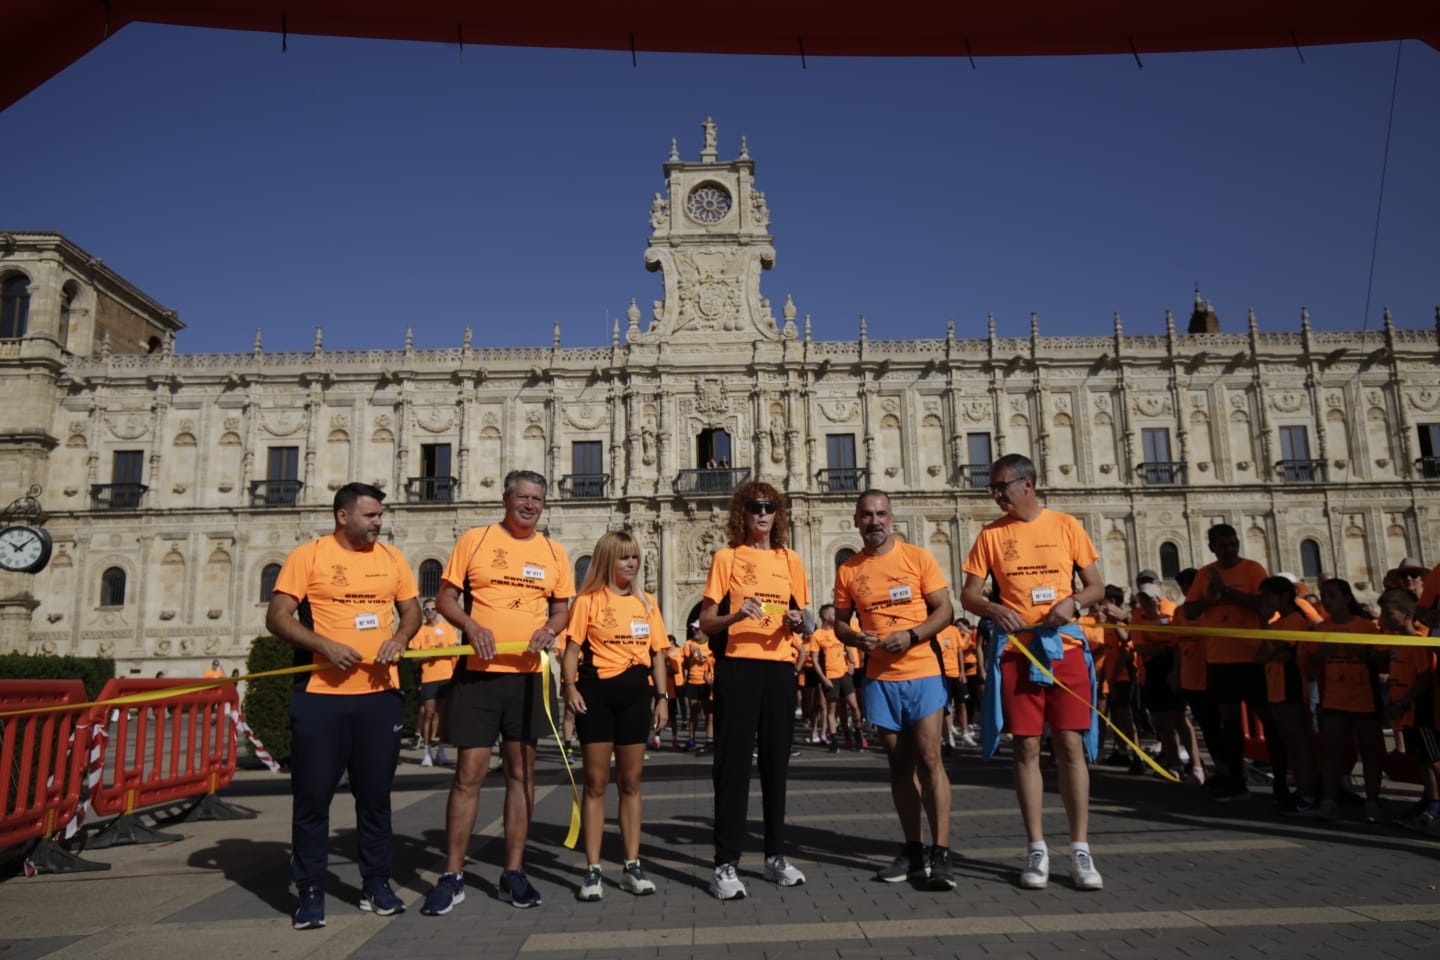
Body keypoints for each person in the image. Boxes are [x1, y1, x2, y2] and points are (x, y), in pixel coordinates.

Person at [264, 482, 421, 930]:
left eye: (379, 516)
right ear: (343, 516)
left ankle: (377, 884)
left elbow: (409, 610)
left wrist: (400, 637)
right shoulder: (308, 556)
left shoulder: (391, 559)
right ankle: (310, 891)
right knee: (312, 801)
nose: (379, 523)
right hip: (320, 697)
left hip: (379, 696)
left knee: (375, 800)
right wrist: (325, 646)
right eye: (371, 515)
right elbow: (277, 617)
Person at [422, 470, 574, 915]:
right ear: (506, 497)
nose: (530, 505)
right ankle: (452, 874)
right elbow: (447, 598)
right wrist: (471, 625)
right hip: (478, 673)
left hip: (527, 676)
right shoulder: (476, 539)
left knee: (522, 774)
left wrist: (549, 629)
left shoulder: (553, 551)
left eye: (538, 500)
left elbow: (562, 609)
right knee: (468, 773)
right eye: (523, 497)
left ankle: (513, 873)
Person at [960, 454, 1105, 892]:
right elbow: (968, 594)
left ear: (1027, 484)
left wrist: (1073, 603)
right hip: (1017, 651)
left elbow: (1096, 584)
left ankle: (1080, 847)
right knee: (1025, 747)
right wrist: (992, 607)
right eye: (993, 487)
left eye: (1000, 485)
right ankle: (1036, 846)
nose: (995, 494)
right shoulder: (990, 535)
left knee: (1070, 745)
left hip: (1065, 646)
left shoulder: (1066, 526)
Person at [834, 489, 957, 890]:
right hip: (880, 679)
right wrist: (855, 638)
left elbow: (945, 609)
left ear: (892, 518)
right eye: (867, 515)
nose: (875, 521)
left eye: (881, 514)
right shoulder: (849, 569)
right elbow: (840, 622)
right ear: (857, 521)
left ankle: (941, 852)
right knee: (899, 765)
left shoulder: (918, 558)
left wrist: (913, 635)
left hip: (922, 670)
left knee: (929, 758)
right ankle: (914, 848)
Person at [699, 480, 811, 900]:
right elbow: (706, 622)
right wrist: (733, 615)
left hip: (780, 669)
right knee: (732, 767)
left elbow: (806, 616)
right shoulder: (726, 558)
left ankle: (774, 856)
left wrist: (802, 622)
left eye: (769, 507)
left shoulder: (791, 560)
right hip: (738, 667)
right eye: (754, 507)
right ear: (741, 514)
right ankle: (724, 864)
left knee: (776, 765)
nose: (762, 514)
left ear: (777, 514)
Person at [561, 531, 670, 901]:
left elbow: (657, 653)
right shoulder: (587, 600)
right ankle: (592, 869)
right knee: (594, 783)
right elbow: (573, 649)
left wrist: (662, 696)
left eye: (635, 557)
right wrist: (570, 687)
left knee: (631, 782)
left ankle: (632, 864)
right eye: (624, 557)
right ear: (608, 559)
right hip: (596, 695)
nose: (632, 563)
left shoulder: (647, 603)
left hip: (636, 696)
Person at [1183, 523, 1276, 804]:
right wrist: (1210, 596)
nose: (1229, 550)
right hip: (1220, 659)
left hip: (1251, 657)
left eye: (1233, 544)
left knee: (1269, 720)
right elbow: (1189, 611)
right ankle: (1235, 780)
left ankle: (1282, 781)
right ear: (1211, 547)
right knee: (1229, 723)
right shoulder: (1204, 574)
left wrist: (1227, 592)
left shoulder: (1252, 569)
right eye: (1223, 545)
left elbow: (1263, 603)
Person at [1305, 578, 1386, 821]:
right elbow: (1311, 665)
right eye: (1324, 596)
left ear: (1346, 598)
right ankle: (1330, 800)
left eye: (1331, 595)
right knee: (1332, 752)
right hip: (1334, 698)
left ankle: (1372, 801)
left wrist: (1365, 653)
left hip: (1364, 697)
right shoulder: (1321, 629)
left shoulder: (1366, 627)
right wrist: (1322, 654)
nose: (1326, 601)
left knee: (1370, 751)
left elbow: (1382, 661)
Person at [1256, 576, 1320, 814]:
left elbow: (1277, 651)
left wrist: (1264, 626)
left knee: (1298, 743)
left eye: (1268, 596)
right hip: (1276, 687)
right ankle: (1302, 791)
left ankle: (1307, 794)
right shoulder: (1279, 623)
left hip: (1290, 686)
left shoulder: (1293, 620)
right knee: (1289, 743)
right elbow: (1262, 655)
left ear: (1283, 596)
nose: (1264, 601)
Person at [415, 599, 459, 766]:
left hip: (446, 676)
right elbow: (415, 657)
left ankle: (441, 750)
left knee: (443, 715)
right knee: (428, 714)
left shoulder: (447, 629)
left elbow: (455, 649)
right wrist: (432, 653)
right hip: (429, 678)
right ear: (424, 612)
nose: (430, 612)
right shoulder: (420, 631)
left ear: (437, 611)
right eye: (427, 610)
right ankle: (427, 752)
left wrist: (445, 651)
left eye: (433, 609)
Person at [683, 622, 714, 752]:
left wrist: (702, 657)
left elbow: (712, 662)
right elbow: (686, 664)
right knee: (693, 713)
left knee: (709, 714)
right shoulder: (688, 644)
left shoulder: (711, 645)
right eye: (693, 629)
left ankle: (709, 740)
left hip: (707, 682)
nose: (695, 631)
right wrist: (691, 656)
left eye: (697, 629)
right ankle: (691, 740)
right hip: (693, 681)